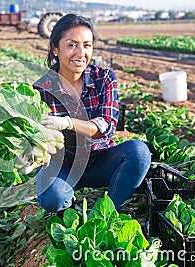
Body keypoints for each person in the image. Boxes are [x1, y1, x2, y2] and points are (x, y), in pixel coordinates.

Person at [33, 14, 151, 215]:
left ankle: (109, 213)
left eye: (87, 45)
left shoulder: (103, 78)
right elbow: (36, 138)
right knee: (52, 198)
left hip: (101, 159)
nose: (80, 53)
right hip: (64, 166)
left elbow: (106, 125)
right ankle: (68, 209)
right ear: (55, 48)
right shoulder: (42, 89)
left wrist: (68, 123)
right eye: (71, 45)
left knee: (139, 153)